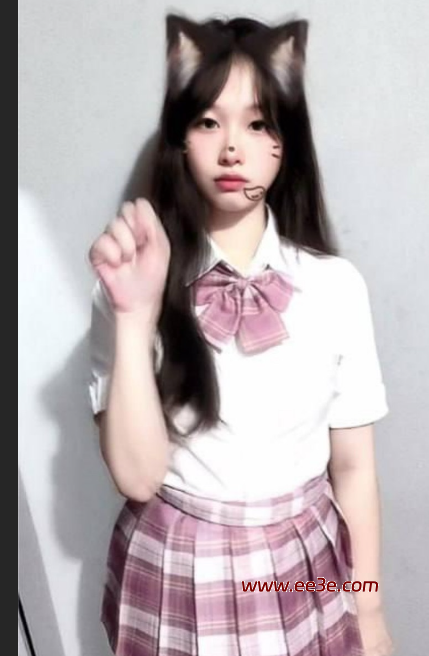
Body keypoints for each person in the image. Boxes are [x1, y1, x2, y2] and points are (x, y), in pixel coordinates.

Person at [87, 13, 394, 656]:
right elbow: (137, 479)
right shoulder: (129, 285)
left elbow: (354, 467)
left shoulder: (335, 287)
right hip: (174, 564)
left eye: (258, 124)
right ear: (180, 138)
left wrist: (369, 611)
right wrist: (135, 315)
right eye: (208, 122)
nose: (232, 149)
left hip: (301, 557)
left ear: (289, 140)